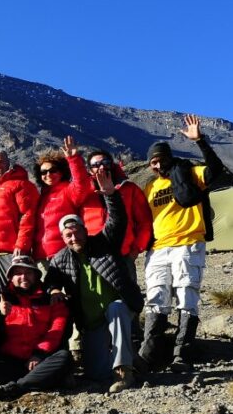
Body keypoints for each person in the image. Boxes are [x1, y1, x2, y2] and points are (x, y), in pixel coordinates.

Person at [139, 114, 227, 373]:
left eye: (160, 160)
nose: (157, 165)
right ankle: (150, 354)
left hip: (188, 243)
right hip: (157, 249)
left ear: (168, 158)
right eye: (152, 162)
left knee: (187, 296)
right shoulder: (150, 188)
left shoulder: (189, 172)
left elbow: (215, 170)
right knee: (156, 297)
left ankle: (182, 354)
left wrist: (200, 141)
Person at [44, 169, 144, 393]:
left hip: (115, 308)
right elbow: (50, 280)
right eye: (68, 235)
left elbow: (118, 220)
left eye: (77, 231)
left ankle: (124, 371)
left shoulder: (103, 242)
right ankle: (132, 360)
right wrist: (52, 290)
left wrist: (110, 195)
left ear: (84, 230)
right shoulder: (60, 259)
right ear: (63, 238)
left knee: (118, 309)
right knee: (96, 374)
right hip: (90, 321)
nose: (74, 237)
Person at [0, 256, 72, 401]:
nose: (24, 277)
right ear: (11, 277)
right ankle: (40, 380)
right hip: (11, 360)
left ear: (36, 275)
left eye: (29, 273)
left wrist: (38, 354)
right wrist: (0, 314)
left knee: (65, 357)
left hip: (41, 359)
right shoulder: (1, 299)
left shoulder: (52, 299)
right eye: (18, 273)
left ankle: (15, 388)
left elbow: (57, 331)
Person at [79, 149, 153, 281]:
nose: (101, 167)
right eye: (96, 165)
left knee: (128, 299)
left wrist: (136, 250)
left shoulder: (129, 189)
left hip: (123, 255)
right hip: (94, 255)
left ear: (111, 165)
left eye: (105, 162)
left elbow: (145, 222)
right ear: (90, 170)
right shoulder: (84, 193)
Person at [0, 149, 39, 298]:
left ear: (8, 162)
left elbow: (28, 215)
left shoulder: (20, 184)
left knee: (19, 295)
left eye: (1, 161)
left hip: (13, 253)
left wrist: (22, 244)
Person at [32, 137, 92, 261]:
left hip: (63, 256)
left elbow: (82, 184)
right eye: (43, 172)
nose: (48, 175)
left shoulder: (68, 191)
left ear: (62, 171)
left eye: (53, 170)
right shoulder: (41, 196)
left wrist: (73, 159)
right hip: (41, 256)